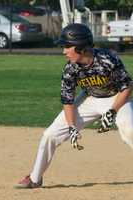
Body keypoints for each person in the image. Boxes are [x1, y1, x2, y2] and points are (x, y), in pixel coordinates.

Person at [17, 23, 133, 188]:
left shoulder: (108, 59)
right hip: (89, 98)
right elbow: (67, 100)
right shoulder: (70, 69)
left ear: (80, 47)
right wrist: (72, 126)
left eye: (67, 46)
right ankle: (35, 178)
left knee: (130, 130)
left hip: (116, 98)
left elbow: (127, 87)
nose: (64, 51)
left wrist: (112, 111)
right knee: (50, 135)